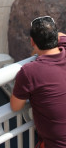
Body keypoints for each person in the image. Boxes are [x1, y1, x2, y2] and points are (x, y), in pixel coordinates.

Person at [10, 16, 66, 148]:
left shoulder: (29, 71)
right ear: (54, 37)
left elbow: (15, 106)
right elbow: (62, 35)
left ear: (32, 42)